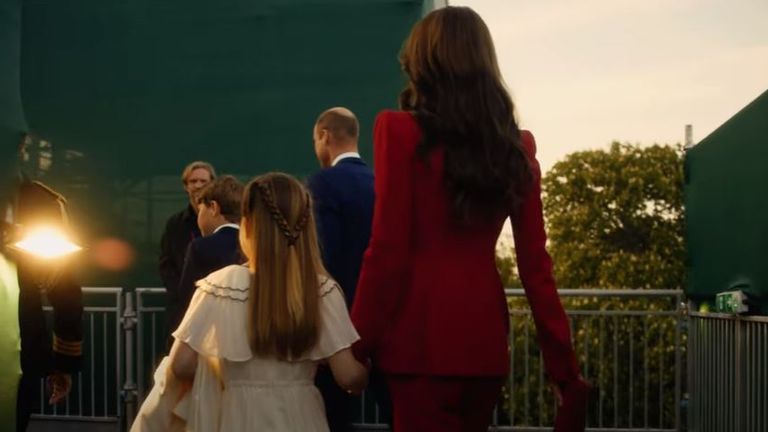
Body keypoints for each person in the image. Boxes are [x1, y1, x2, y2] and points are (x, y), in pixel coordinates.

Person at [350, 6, 588, 432]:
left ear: (424, 61)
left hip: (417, 345)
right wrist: (564, 370)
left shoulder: (397, 131)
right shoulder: (517, 147)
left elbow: (387, 251)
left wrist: (355, 346)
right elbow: (537, 268)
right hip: (483, 344)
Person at [133, 172, 369, 431]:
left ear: (248, 225)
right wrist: (368, 369)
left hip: (236, 416)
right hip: (303, 416)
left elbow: (181, 366)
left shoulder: (219, 286)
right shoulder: (322, 289)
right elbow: (348, 377)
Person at [307, 107, 382, 431]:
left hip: (338, 324)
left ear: (324, 136)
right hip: (384, 319)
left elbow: (324, 257)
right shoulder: (383, 182)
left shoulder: (323, 184)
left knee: (333, 417)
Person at [13, 180, 83, 431]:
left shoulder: (38, 201)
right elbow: (65, 291)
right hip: (18, 348)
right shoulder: (38, 200)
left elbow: (65, 290)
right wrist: (64, 364)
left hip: (19, 348)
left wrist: (64, 361)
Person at [167, 175, 244, 338]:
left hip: (210, 338)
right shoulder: (255, 245)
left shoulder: (201, 247)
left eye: (201, 209)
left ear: (214, 208)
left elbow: (187, 301)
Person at [158, 161, 215, 334]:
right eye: (193, 181)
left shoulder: (224, 219)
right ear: (186, 186)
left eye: (203, 181)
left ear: (212, 184)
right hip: (183, 308)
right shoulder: (175, 224)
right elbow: (166, 263)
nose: (198, 185)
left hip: (216, 303)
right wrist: (180, 293)